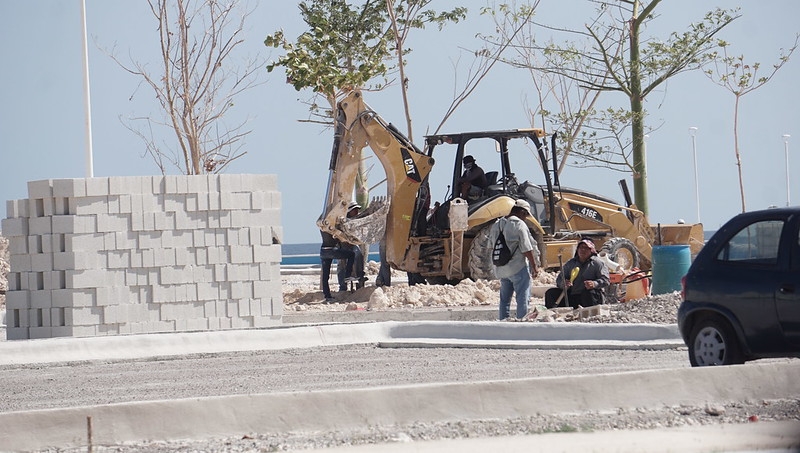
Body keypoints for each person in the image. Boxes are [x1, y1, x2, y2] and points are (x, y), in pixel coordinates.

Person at [489, 199, 540, 320]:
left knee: (504, 300)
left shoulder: (497, 224)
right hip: (517, 268)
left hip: (502, 269)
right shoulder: (519, 224)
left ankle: (503, 320)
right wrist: (534, 266)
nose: (526, 218)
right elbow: (527, 248)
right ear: (522, 212)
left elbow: (491, 245)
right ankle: (522, 321)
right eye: (526, 215)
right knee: (522, 297)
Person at [544, 238, 610, 309]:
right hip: (573, 295)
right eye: (581, 247)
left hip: (590, 297)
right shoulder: (571, 263)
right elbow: (559, 279)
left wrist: (594, 284)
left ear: (591, 250)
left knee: (588, 293)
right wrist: (564, 284)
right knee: (550, 293)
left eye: (586, 248)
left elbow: (606, 280)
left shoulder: (598, 263)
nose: (583, 250)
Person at [319, 202, 365, 302]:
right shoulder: (333, 225)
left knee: (325, 276)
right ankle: (348, 276)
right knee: (351, 255)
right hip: (332, 250)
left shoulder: (322, 224)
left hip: (323, 251)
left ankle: (327, 296)